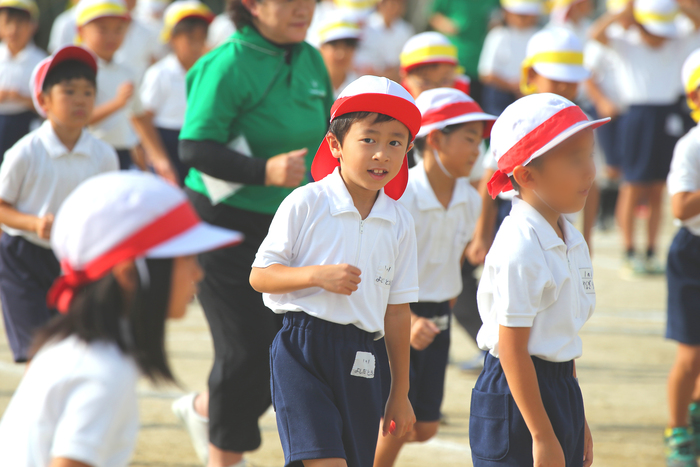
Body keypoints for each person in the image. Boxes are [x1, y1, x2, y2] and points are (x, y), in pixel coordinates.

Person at [171, 0, 334, 465]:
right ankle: (224, 455)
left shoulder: (309, 57)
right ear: (252, 6)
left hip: (285, 224)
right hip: (219, 226)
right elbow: (194, 146)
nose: (304, 9)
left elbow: (326, 135)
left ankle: (204, 408)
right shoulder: (228, 63)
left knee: (286, 347)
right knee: (244, 349)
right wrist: (263, 170)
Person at [0, 171, 243, 467]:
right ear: (129, 273)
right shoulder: (103, 371)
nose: (198, 273)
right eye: (185, 258)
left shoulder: (77, 348)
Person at [249, 75, 419, 467]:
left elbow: (397, 311)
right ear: (335, 145)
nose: (382, 154)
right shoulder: (306, 202)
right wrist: (315, 275)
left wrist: (400, 391)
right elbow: (260, 275)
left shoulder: (401, 222)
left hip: (365, 355)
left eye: (395, 142)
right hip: (301, 348)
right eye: (369, 139)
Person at [471, 93, 607, 467]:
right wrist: (542, 434)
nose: (590, 172)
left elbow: (562, 338)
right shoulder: (521, 245)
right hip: (516, 398)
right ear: (527, 175)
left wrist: (575, 418)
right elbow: (513, 349)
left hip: (558, 386)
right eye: (574, 160)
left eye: (590, 155)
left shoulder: (569, 234)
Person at [372, 88, 496, 467]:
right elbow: (375, 270)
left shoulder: (470, 199)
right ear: (436, 139)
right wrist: (405, 320)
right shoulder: (399, 195)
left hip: (438, 315)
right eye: (470, 139)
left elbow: (453, 264)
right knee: (394, 419)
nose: (478, 150)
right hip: (394, 313)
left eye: (481, 140)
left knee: (423, 426)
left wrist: (446, 301)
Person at [0, 45, 119, 364]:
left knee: (74, 347)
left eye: (88, 92)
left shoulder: (104, 155)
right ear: (43, 101)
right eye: (68, 91)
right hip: (22, 257)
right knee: (36, 351)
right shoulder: (25, 152)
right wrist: (34, 223)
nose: (80, 100)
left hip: (75, 260)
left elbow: (108, 210)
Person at [590, 0, 700, 276]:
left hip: (668, 115)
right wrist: (627, 12)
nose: (659, 35)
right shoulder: (627, 42)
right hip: (636, 116)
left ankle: (651, 251)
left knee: (657, 187)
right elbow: (595, 35)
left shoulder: (675, 39)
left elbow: (697, 22)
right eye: (654, 28)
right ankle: (629, 250)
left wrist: (675, 6)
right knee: (633, 184)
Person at [77, 0, 177, 183]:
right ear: (81, 30)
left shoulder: (126, 72)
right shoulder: (75, 70)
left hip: (122, 155)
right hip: (85, 155)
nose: (111, 36)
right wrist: (116, 103)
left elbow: (139, 117)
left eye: (119, 30)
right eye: (102, 29)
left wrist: (160, 159)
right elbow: (74, 119)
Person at [664, 48, 700, 467]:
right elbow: (680, 207)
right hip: (691, 253)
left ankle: (694, 409)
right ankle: (677, 430)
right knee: (690, 353)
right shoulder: (691, 146)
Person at [140, 0, 214, 186]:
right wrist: (159, 158)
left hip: (199, 144)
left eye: (202, 38)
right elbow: (143, 118)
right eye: (190, 38)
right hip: (167, 142)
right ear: (172, 38)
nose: (197, 45)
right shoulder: (160, 73)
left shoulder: (210, 72)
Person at [428, 0, 500, 103]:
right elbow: (433, 15)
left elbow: (497, 18)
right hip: (452, 63)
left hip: (481, 65)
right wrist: (447, 25)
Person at [478, 0, 541, 117]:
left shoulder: (541, 36)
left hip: (532, 95)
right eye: (519, 14)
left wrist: (528, 87)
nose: (522, 18)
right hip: (500, 97)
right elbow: (486, 74)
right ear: (506, 13)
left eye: (527, 14)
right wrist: (511, 86)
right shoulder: (497, 35)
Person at [0, 0, 45, 159]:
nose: (13, 29)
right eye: (7, 22)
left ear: (33, 26)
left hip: (26, 125)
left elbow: (48, 104)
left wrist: (21, 98)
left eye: (20, 23)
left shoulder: (40, 61)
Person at [354, 0, 414, 82]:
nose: (396, 7)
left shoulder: (406, 30)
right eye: (393, 3)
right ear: (381, 3)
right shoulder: (366, 26)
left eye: (400, 3)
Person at [399, 31, 470, 99]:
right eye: (426, 82)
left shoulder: (466, 108)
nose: (435, 90)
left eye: (445, 81)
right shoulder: (396, 109)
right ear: (406, 77)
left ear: (454, 76)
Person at [315, 13, 361, 97]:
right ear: (321, 48)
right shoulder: (307, 85)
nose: (341, 54)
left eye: (349, 44)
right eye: (334, 44)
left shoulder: (363, 89)